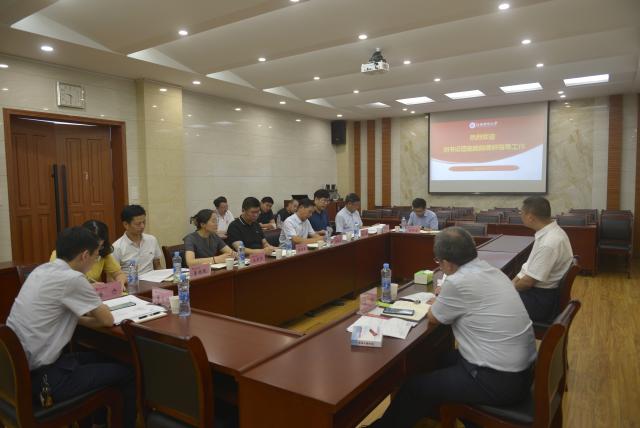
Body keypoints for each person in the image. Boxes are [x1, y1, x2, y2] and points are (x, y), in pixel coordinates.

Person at [369, 227, 536, 428]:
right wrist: (446, 299)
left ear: (447, 263)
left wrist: (440, 301)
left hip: (497, 381)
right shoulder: (492, 271)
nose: (440, 266)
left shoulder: (458, 282)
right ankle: (437, 413)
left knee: (414, 387)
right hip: (522, 371)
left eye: (438, 262)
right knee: (436, 359)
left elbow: (434, 317)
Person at [7, 227, 136, 428]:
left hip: (17, 374)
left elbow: (59, 314)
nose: (95, 261)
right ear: (84, 255)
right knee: (128, 372)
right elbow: (107, 320)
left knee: (107, 357)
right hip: (45, 380)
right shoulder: (73, 279)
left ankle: (97, 422)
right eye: (95, 256)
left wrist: (80, 318)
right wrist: (86, 318)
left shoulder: (40, 270)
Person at [513, 196, 573, 322]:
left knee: (492, 304)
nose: (520, 216)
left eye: (521, 213)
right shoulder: (550, 232)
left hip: (540, 300)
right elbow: (527, 268)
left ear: (530, 217)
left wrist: (509, 290)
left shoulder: (549, 242)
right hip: (539, 293)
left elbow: (528, 282)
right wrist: (511, 285)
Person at [50, 220, 127, 290]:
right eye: (94, 246)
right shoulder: (61, 254)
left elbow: (118, 273)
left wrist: (120, 282)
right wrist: (88, 287)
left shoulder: (102, 252)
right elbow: (58, 284)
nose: (96, 252)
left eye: (99, 246)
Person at [112, 204, 163, 275]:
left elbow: (157, 265)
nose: (142, 226)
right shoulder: (117, 247)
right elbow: (113, 276)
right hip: (131, 281)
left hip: (152, 279)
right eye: (138, 224)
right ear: (126, 224)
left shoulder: (152, 240)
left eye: (144, 222)